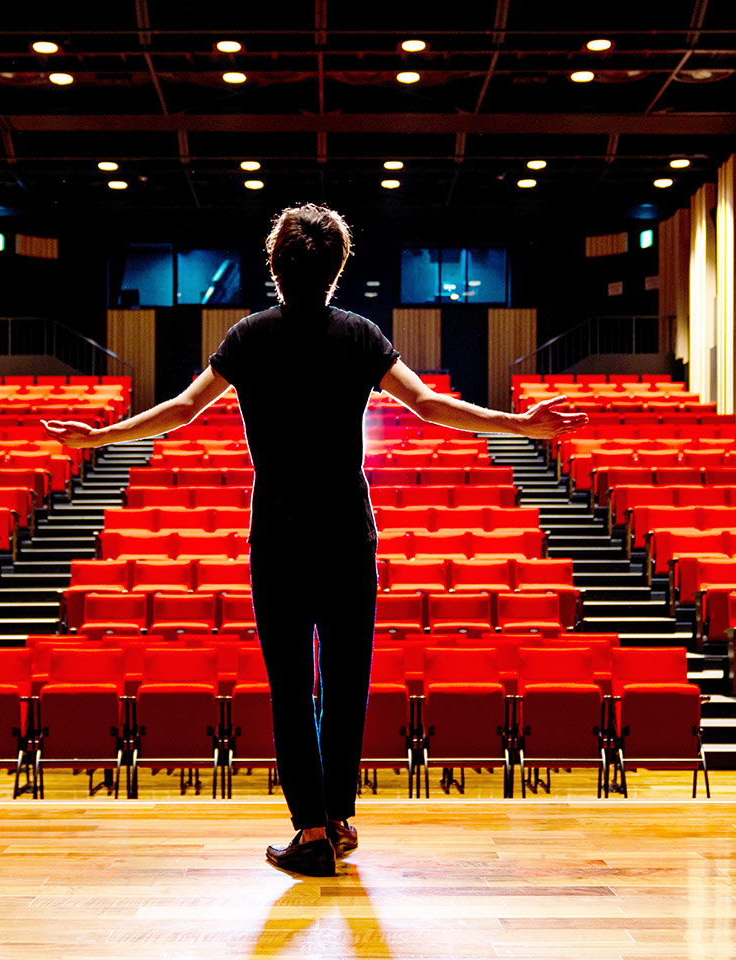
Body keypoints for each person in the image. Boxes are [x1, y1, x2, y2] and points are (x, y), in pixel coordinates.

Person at [44, 203, 588, 877]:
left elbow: (182, 409)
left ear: (275, 268)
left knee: (292, 688)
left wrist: (97, 437)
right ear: (336, 272)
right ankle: (335, 818)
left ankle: (311, 829)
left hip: (278, 540)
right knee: (346, 684)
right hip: (349, 539)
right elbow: (427, 405)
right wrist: (521, 424)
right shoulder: (359, 335)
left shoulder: (248, 338)